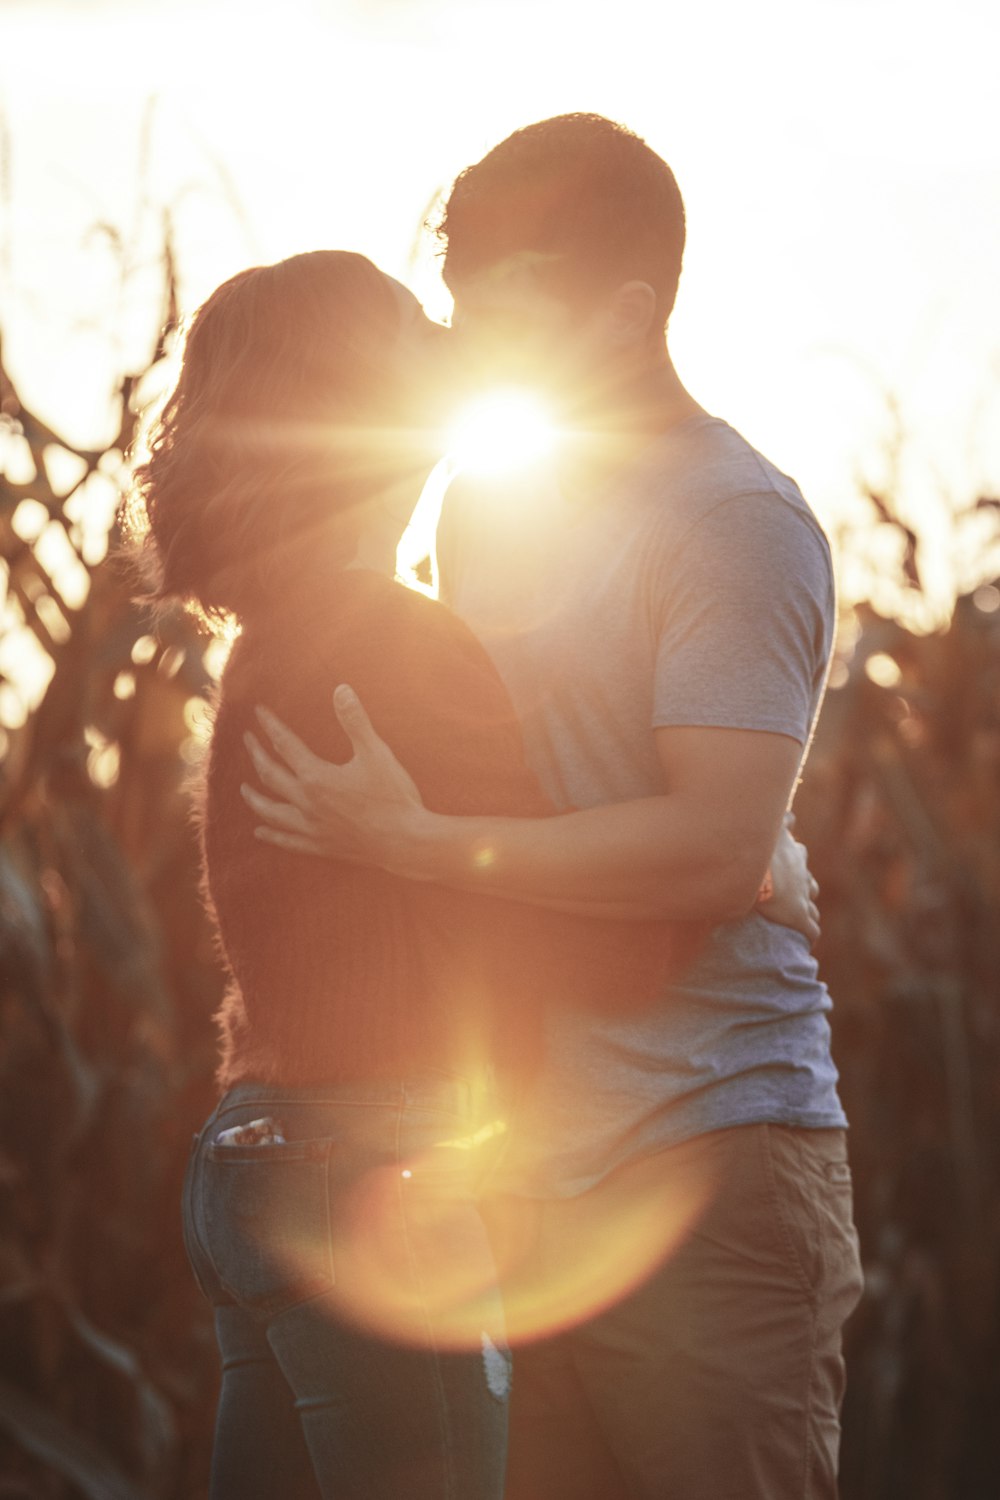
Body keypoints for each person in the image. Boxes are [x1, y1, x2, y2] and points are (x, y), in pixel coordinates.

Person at [242, 115, 864, 1499]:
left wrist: (413, 844)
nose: (462, 333)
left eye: (500, 301)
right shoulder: (482, 507)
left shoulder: (733, 522)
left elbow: (704, 846)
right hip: (523, 1173)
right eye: (457, 292)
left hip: (713, 1152)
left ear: (628, 312)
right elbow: (565, 787)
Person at [125, 248, 729, 1500]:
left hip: (247, 1165)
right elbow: (565, 944)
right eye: (413, 327)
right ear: (357, 392)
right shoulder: (399, 636)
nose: (452, 346)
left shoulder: (274, 642)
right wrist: (734, 871)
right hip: (373, 1170)